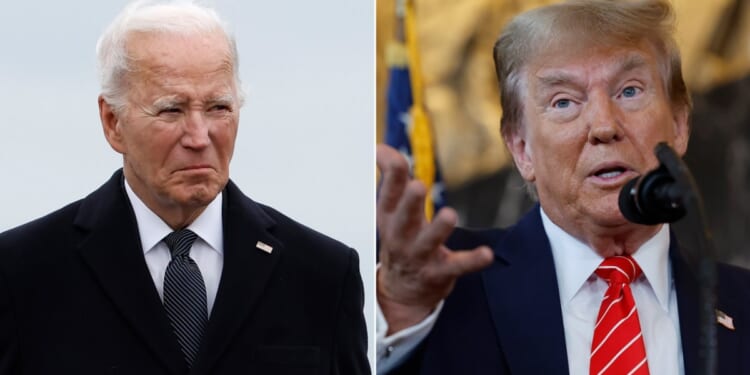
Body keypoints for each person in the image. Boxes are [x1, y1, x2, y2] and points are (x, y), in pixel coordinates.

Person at [376, 0, 750, 374]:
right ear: (521, 149)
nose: (604, 126)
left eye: (630, 91)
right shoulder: (446, 287)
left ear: (680, 124)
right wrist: (399, 312)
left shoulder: (742, 302)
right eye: (564, 101)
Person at [0, 1, 369, 374]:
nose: (199, 136)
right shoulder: (21, 274)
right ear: (113, 122)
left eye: (218, 108)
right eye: (171, 110)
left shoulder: (323, 275)